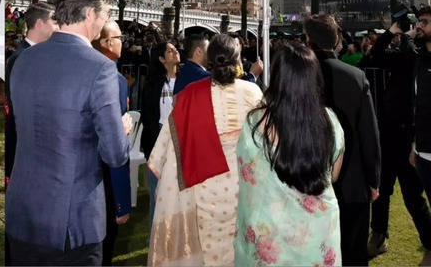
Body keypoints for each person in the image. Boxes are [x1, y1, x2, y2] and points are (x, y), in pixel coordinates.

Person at [5, 0, 132, 265]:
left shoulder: (22, 59)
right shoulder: (101, 69)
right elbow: (114, 154)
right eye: (105, 15)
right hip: (72, 225)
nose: (103, 23)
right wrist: (121, 130)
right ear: (89, 15)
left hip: (21, 212)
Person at [146, 34, 261, 265]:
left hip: (202, 187)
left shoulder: (189, 95)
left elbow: (164, 149)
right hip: (245, 187)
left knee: (206, 251)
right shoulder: (253, 93)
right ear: (237, 60)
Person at [234, 41, 344, 266]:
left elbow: (247, 173)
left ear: (277, 78)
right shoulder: (330, 121)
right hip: (318, 239)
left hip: (268, 240)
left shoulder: (255, 123)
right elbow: (332, 175)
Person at [304, 13, 381, 266]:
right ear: (337, 39)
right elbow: (369, 133)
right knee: (354, 254)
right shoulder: (355, 77)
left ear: (307, 41)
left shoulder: (298, 79)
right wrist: (373, 179)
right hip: (352, 185)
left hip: (309, 183)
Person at [368, 10, 431, 256]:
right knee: (381, 190)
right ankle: (378, 236)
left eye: (425, 23)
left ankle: (428, 238)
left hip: (410, 137)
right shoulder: (404, 56)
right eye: (420, 22)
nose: (420, 27)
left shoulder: (420, 57)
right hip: (388, 133)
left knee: (413, 194)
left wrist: (406, 37)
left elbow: (411, 55)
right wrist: (391, 32)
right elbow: (376, 57)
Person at [92, 22, 132, 264]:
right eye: (119, 37)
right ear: (107, 43)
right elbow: (116, 145)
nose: (122, 41)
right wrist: (122, 203)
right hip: (103, 181)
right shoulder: (113, 80)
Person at [3, 2, 56, 170]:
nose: (59, 26)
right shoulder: (23, 57)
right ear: (40, 24)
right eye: (54, 21)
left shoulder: (34, 55)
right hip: (25, 145)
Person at [138, 40, 180, 216]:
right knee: (157, 197)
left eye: (174, 48)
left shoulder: (185, 80)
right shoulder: (153, 84)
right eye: (170, 51)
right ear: (162, 59)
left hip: (181, 145)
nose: (175, 51)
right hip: (158, 144)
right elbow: (148, 116)